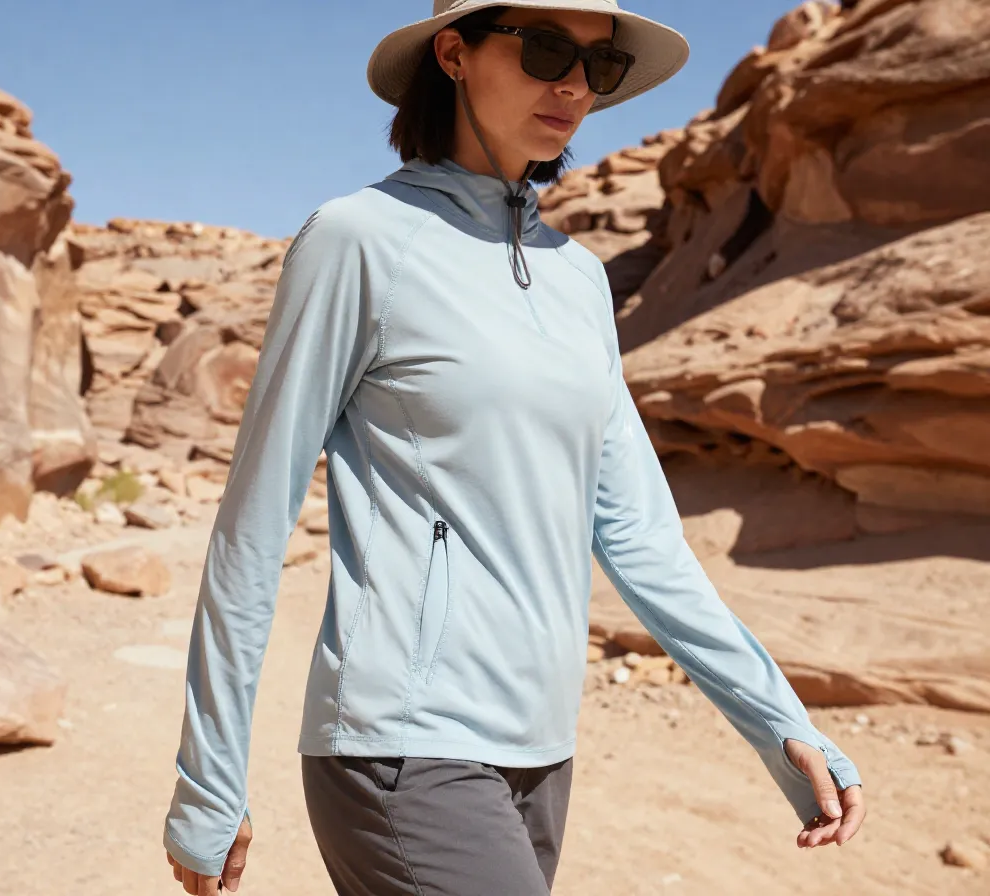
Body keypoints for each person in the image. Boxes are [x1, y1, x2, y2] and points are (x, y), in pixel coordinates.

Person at [163, 2, 867, 893]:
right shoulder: (358, 241)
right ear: (454, 53)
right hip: (403, 748)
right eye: (543, 51)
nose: (572, 85)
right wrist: (207, 781)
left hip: (542, 755)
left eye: (597, 65)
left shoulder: (577, 278)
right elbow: (250, 528)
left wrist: (780, 721)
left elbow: (641, 537)